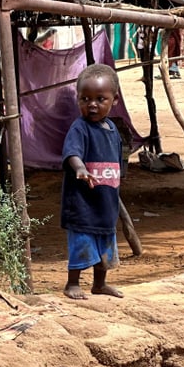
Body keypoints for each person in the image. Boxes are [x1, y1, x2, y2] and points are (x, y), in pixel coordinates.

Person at [61, 63, 124, 300]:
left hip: (106, 203)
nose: (92, 104)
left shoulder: (112, 130)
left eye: (100, 98)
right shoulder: (80, 128)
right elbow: (71, 153)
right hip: (83, 204)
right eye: (85, 98)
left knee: (106, 244)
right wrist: (80, 168)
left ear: (114, 100)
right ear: (78, 99)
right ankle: (72, 283)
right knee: (82, 243)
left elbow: (117, 160)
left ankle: (99, 284)